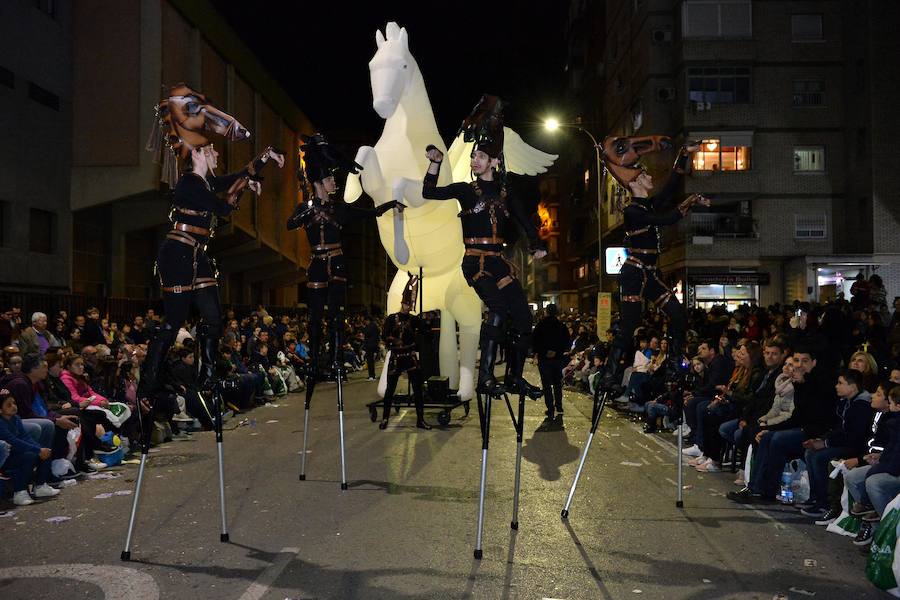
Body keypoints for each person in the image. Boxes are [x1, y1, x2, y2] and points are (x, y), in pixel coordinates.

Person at [140, 84, 284, 404]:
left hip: (196, 253)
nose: (216, 152)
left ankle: (207, 374)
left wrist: (264, 160)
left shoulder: (206, 182)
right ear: (200, 154)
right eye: (211, 150)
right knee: (174, 320)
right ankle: (148, 380)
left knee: (213, 316)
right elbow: (222, 206)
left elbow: (234, 179)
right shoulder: (190, 183)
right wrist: (246, 184)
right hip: (177, 253)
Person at [422, 95, 546, 398]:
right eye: (473, 155)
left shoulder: (505, 192)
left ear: (494, 161)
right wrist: (435, 164)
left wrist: (536, 244)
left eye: (480, 156)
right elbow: (428, 192)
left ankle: (515, 376)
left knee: (524, 316)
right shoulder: (465, 190)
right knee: (499, 309)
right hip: (475, 262)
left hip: (498, 261)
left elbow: (524, 221)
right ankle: (486, 376)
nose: (474, 159)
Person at [287, 133, 399, 399]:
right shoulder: (306, 208)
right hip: (316, 262)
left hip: (336, 262)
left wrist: (390, 205)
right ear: (318, 183)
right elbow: (290, 224)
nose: (333, 182)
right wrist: (308, 209)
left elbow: (369, 213)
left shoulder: (341, 209)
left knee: (337, 314)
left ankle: (336, 358)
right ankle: (314, 359)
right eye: (329, 179)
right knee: (315, 315)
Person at [597, 135, 708, 387]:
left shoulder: (648, 206)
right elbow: (667, 218)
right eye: (645, 176)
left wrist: (684, 153)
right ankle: (609, 376)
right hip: (634, 274)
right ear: (635, 182)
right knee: (628, 327)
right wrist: (690, 202)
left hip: (650, 273)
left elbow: (670, 189)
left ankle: (671, 365)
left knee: (678, 316)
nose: (649, 178)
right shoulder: (633, 211)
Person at [798, 368, 873, 519]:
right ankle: (815, 498)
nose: (836, 386)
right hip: (845, 442)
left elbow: (853, 437)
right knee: (810, 452)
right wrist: (820, 440)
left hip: (856, 448)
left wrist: (825, 443)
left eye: (840, 383)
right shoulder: (846, 403)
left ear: (852, 387)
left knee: (819, 457)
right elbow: (839, 429)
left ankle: (824, 503)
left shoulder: (861, 406)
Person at [377, 276, 432, 430]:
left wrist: (425, 320)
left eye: (409, 304)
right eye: (406, 303)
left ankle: (420, 420)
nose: (407, 306)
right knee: (390, 390)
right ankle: (385, 418)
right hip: (396, 357)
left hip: (410, 357)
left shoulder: (414, 320)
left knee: (418, 389)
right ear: (402, 303)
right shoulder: (391, 319)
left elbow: (425, 331)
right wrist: (393, 341)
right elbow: (384, 336)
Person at [0, 388, 59, 506]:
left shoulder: (16, 419)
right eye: (8, 405)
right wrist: (37, 450)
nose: (13, 407)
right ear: (0, 410)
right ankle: (19, 492)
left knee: (45, 452)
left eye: (14, 403)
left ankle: (41, 485)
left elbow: (25, 437)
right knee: (30, 456)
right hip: (7, 456)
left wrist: (40, 449)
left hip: (18, 452)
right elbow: (13, 441)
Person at [533, 304, 571, 419]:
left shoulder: (541, 325)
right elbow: (566, 342)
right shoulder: (561, 326)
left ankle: (550, 408)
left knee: (546, 384)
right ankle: (559, 406)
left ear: (547, 312)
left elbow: (535, 341)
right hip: (558, 358)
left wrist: (542, 352)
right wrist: (556, 351)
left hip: (544, 359)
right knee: (557, 383)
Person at [363, 315, 381, 381]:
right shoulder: (374, 326)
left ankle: (371, 376)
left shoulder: (371, 326)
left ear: (368, 320)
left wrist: (364, 328)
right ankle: (372, 375)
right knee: (370, 361)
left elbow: (366, 333)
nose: (365, 322)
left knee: (370, 361)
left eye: (365, 321)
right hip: (373, 344)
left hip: (370, 345)